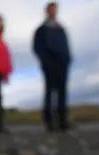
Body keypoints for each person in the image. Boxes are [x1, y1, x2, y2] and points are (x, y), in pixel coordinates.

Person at [33, 1, 72, 132]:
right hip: (49, 65)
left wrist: (68, 59)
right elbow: (37, 47)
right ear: (46, 12)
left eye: (55, 10)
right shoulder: (41, 30)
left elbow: (66, 46)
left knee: (62, 92)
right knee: (50, 93)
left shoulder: (61, 28)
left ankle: (63, 121)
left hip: (63, 65)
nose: (53, 12)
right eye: (51, 10)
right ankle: (49, 122)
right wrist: (46, 61)